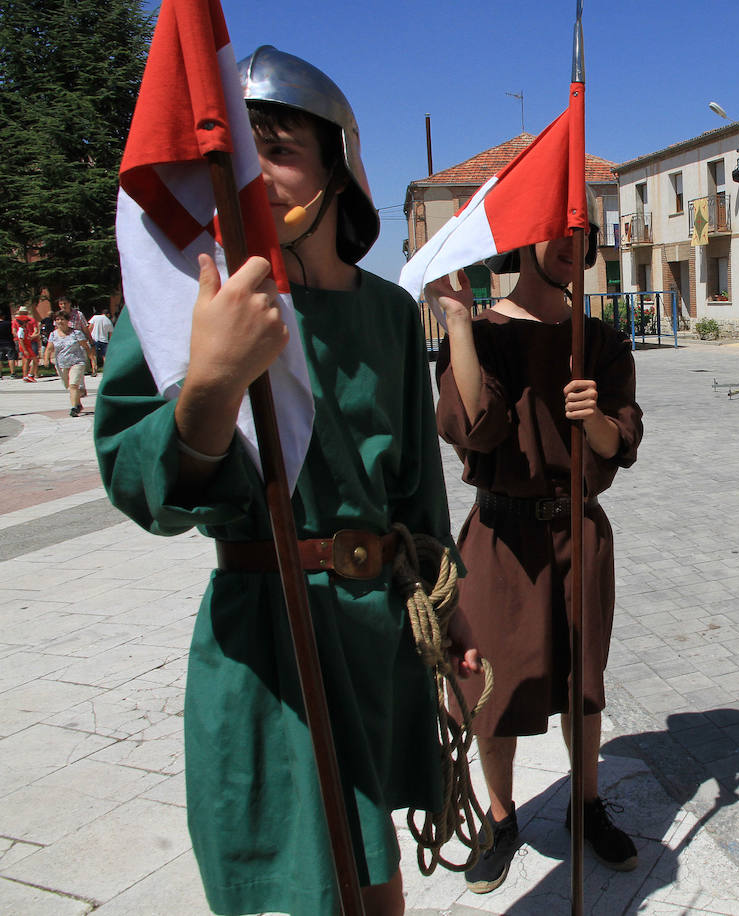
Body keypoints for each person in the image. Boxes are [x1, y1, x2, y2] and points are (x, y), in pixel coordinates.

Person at [95, 46, 471, 916]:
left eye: (278, 145)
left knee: (376, 886)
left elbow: (420, 498)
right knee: (286, 892)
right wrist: (214, 381)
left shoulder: (384, 312)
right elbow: (131, 472)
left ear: (338, 168)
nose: (249, 174)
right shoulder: (201, 300)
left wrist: (452, 625)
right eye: (237, 150)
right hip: (266, 644)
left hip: (375, 636)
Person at [428, 205, 644, 894]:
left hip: (580, 531)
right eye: (557, 226)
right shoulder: (483, 335)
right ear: (525, 238)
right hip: (500, 536)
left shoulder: (602, 340)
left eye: (580, 230)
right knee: (490, 688)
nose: (569, 242)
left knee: (584, 687)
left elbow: (625, 440)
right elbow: (476, 429)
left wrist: (599, 426)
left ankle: (585, 805)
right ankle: (499, 816)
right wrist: (459, 325)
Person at [44, 311, 95, 416]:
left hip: (77, 362)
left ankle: (73, 408)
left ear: (68, 321)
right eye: (57, 319)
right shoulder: (53, 334)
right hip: (61, 364)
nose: (60, 321)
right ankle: (78, 404)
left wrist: (92, 360)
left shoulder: (76, 333)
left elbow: (86, 347)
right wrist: (46, 359)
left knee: (73, 385)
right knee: (68, 386)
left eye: (62, 319)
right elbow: (49, 348)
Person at [12, 305, 39, 382]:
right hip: (26, 347)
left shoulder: (24, 329)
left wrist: (30, 337)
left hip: (28, 345)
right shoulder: (21, 330)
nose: (27, 323)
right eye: (26, 322)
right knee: (34, 360)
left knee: (29, 360)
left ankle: (26, 376)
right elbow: (20, 340)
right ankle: (30, 375)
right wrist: (25, 350)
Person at [88, 307, 114, 372]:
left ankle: (94, 369)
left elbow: (90, 327)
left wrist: (88, 336)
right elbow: (111, 333)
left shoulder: (95, 317)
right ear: (108, 314)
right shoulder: (108, 321)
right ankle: (106, 369)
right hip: (104, 340)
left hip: (94, 339)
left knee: (93, 355)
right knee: (105, 356)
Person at [0, 305, 17, 378]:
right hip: (9, 342)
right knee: (11, 358)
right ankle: (13, 373)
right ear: (3, 316)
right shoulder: (8, 323)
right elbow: (13, 332)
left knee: (0, 359)